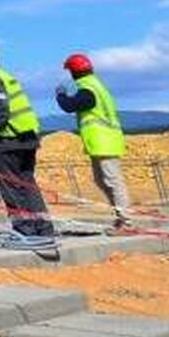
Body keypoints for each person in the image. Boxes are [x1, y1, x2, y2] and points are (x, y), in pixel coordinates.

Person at [0, 40, 55, 240]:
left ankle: (25, 230)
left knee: (11, 186)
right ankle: (44, 229)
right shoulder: (7, 76)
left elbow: (0, 112)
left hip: (8, 140)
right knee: (27, 184)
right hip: (26, 138)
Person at [56, 52, 131, 228]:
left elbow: (69, 106)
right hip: (102, 142)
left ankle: (126, 220)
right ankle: (120, 215)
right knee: (101, 180)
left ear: (73, 72)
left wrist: (60, 94)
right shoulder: (96, 86)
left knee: (113, 181)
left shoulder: (88, 89)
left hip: (104, 142)